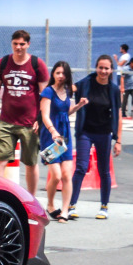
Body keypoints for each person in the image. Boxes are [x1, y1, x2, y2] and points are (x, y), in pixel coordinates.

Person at [0, 30, 49, 196]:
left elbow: (45, 95)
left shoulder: (36, 64)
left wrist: (41, 120)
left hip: (30, 123)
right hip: (6, 122)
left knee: (30, 163)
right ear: (11, 44)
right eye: (15, 44)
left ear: (28, 45)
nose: (18, 47)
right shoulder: (3, 63)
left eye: (22, 44)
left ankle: (31, 199)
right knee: (0, 160)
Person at [69, 55, 123, 220]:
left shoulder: (113, 90)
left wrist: (119, 140)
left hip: (104, 133)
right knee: (81, 168)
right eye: (100, 67)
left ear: (111, 70)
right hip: (85, 131)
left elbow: (118, 115)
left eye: (106, 68)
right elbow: (72, 88)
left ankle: (104, 207)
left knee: (104, 170)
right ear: (96, 68)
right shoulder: (87, 83)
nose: (103, 71)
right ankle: (71, 206)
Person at [39, 61, 87, 221]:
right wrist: (53, 132)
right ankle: (51, 204)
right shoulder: (48, 92)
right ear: (53, 74)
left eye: (63, 73)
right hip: (50, 136)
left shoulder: (67, 91)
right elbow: (45, 115)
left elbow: (65, 113)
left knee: (67, 174)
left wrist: (79, 106)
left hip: (65, 135)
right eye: (58, 73)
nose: (60, 76)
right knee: (57, 175)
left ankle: (65, 210)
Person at [117, 44, 133, 117]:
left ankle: (122, 108)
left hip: (122, 74)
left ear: (123, 49)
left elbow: (120, 64)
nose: (120, 49)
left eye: (121, 48)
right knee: (120, 90)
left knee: (123, 91)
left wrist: (116, 59)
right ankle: (121, 108)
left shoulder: (126, 56)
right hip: (119, 73)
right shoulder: (124, 56)